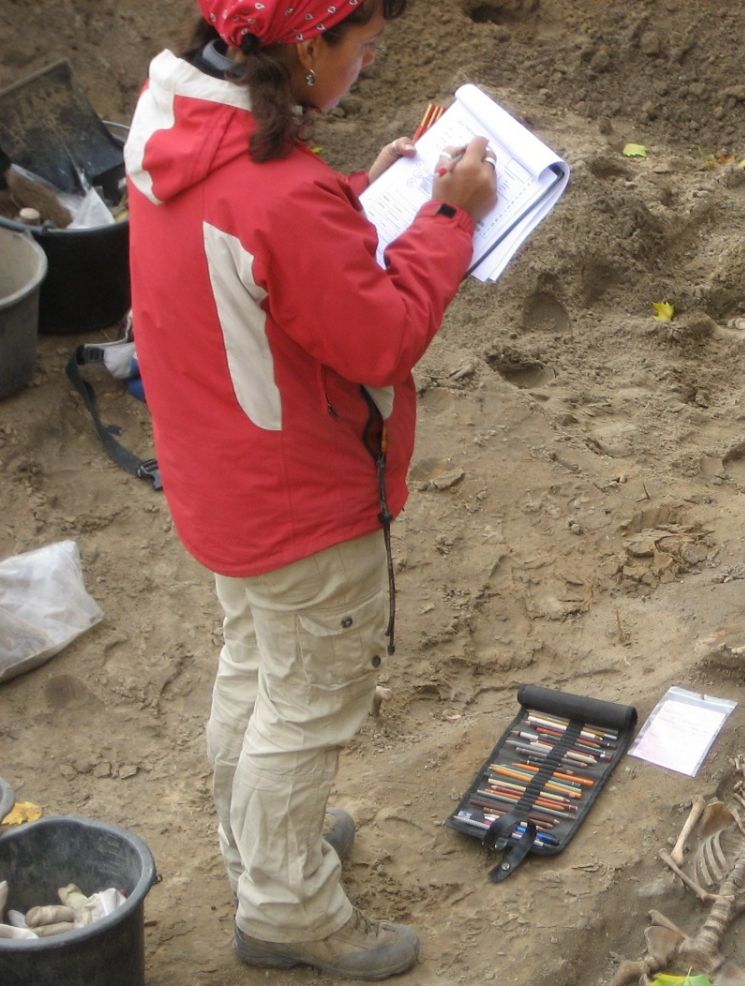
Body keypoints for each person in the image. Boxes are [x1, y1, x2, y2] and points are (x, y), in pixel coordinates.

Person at [123, 0, 497, 978]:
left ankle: (259, 847)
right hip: (300, 498)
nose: (368, 67)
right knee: (309, 699)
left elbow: (262, 232)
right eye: (362, 49)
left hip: (220, 478)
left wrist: (352, 190)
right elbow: (378, 335)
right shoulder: (280, 194)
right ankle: (287, 905)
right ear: (305, 46)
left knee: (255, 664)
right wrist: (450, 215)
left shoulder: (172, 123)